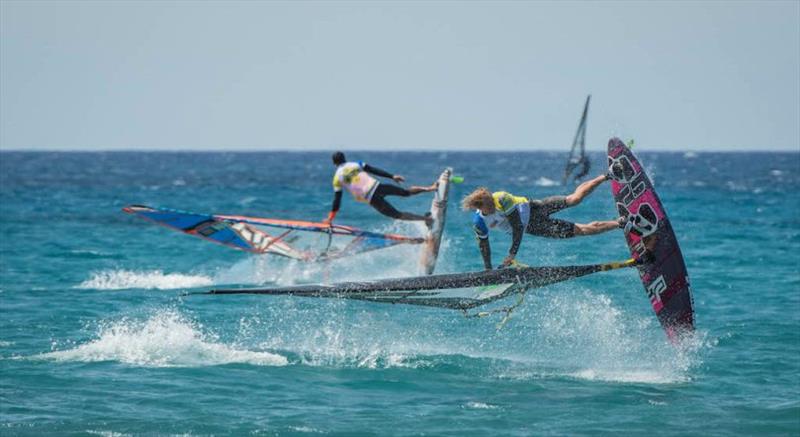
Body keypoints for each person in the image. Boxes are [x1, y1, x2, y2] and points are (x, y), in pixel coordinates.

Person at [461, 173, 625, 270]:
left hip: (536, 208)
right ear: (479, 207)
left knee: (574, 199)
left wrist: (512, 254)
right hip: (535, 227)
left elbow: (517, 226)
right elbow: (484, 246)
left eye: (491, 201)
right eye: (489, 206)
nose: (493, 205)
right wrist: (488, 269)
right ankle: (620, 223)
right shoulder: (479, 222)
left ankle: (607, 175)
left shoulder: (501, 198)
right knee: (580, 230)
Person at [325, 151, 437, 226]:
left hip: (371, 198)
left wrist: (330, 217)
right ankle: (430, 188)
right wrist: (392, 176)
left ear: (334, 163)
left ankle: (426, 220)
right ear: (344, 158)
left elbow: (337, 200)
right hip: (378, 187)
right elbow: (374, 170)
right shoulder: (356, 164)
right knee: (406, 192)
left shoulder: (337, 178)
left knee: (397, 215)